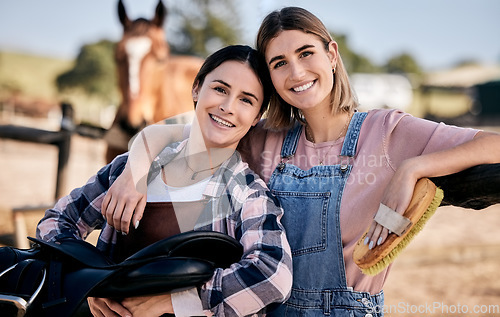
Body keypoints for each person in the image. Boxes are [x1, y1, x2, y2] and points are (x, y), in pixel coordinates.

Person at [102, 7, 500, 317]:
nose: (296, 72)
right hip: (262, 309)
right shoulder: (264, 140)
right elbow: (168, 131)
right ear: (271, 78)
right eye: (278, 63)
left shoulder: (387, 131)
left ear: (331, 54)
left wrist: (414, 168)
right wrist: (132, 174)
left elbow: (493, 144)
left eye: (306, 53)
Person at [36, 45, 293, 317]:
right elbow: (56, 222)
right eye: (220, 89)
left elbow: (273, 273)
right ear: (196, 88)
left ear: (256, 118)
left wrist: (178, 301)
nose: (227, 107)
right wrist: (88, 281)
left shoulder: (246, 193)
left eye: (246, 100)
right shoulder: (129, 170)